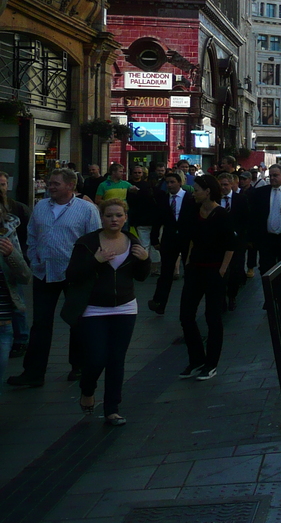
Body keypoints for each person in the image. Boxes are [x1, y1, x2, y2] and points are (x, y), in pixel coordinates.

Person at [6, 169, 100, 388]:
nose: (51, 186)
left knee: (76, 321)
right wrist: (33, 257)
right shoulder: (41, 207)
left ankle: (79, 366)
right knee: (40, 324)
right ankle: (33, 372)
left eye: (56, 183)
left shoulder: (86, 209)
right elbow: (32, 234)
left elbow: (94, 239)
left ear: (70, 185)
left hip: (74, 274)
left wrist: (88, 267)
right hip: (44, 271)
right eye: (50, 183)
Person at [66, 199, 150, 425]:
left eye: (119, 215)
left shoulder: (132, 242)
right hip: (94, 309)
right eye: (109, 215)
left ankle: (112, 408)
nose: (114, 220)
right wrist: (96, 260)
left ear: (125, 217)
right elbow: (73, 275)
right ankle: (87, 389)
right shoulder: (87, 243)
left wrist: (144, 260)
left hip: (125, 307)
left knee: (116, 359)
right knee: (95, 358)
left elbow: (141, 276)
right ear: (101, 218)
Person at [177, 174, 235, 381]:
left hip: (214, 271)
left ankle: (211, 363)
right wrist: (188, 261)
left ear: (208, 191)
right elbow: (192, 237)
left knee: (213, 317)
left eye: (198, 189)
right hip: (195, 269)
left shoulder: (222, 215)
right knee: (186, 315)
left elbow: (230, 245)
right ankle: (197, 359)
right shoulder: (194, 211)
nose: (194, 193)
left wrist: (222, 270)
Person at [147, 171, 196, 314]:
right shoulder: (163, 199)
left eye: (172, 182)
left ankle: (189, 304)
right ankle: (159, 302)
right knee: (166, 272)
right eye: (167, 183)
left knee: (189, 271)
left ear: (179, 183)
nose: (169, 185)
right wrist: (154, 239)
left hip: (187, 239)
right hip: (169, 239)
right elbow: (157, 220)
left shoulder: (190, 198)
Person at [0, 171, 32, 360]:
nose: (1, 188)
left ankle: (21, 339)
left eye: (3, 184)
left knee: (16, 301)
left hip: (11, 263)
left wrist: (19, 257)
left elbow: (28, 235)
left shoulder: (17, 209)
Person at [216, 172, 245, 310]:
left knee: (235, 271)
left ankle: (232, 295)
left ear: (232, 185)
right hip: (218, 243)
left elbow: (246, 219)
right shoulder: (214, 200)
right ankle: (220, 298)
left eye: (226, 184)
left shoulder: (240, 199)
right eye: (220, 185)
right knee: (220, 272)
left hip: (236, 242)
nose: (223, 187)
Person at [126, 165, 159, 275]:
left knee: (150, 243)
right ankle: (148, 265)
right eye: (135, 172)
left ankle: (151, 265)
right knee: (146, 243)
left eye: (139, 172)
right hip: (140, 219)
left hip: (149, 219)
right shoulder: (129, 185)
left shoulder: (145, 186)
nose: (137, 174)